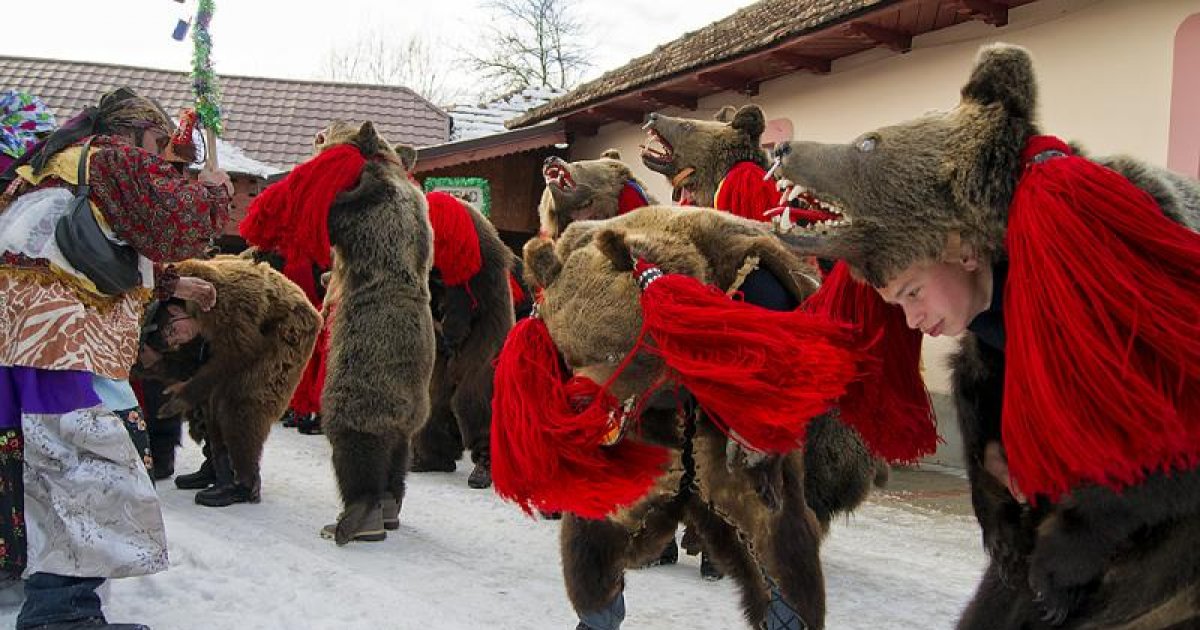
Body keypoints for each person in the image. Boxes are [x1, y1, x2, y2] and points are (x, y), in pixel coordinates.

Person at [0, 87, 231, 630]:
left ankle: (59, 603)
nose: (161, 157)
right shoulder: (110, 157)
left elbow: (87, 251)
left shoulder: (54, 169)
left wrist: (176, 282)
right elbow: (175, 222)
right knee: (87, 475)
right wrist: (213, 193)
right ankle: (61, 615)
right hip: (61, 347)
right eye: (157, 142)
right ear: (129, 134)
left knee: (54, 475)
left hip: (32, 344)